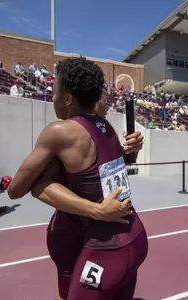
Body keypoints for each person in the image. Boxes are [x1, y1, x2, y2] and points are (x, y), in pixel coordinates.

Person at [8, 57, 148, 299]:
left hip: (105, 248)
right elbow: (103, 172)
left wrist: (97, 210)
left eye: (54, 92)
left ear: (68, 98)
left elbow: (15, 190)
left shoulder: (59, 131)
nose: (52, 99)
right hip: (135, 237)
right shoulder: (105, 127)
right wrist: (130, 152)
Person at [31, 96, 144, 300]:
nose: (107, 106)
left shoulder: (105, 131)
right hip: (72, 232)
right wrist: (97, 210)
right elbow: (28, 187)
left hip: (102, 233)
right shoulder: (65, 133)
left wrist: (128, 151)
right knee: (67, 294)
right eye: (103, 99)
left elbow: (104, 175)